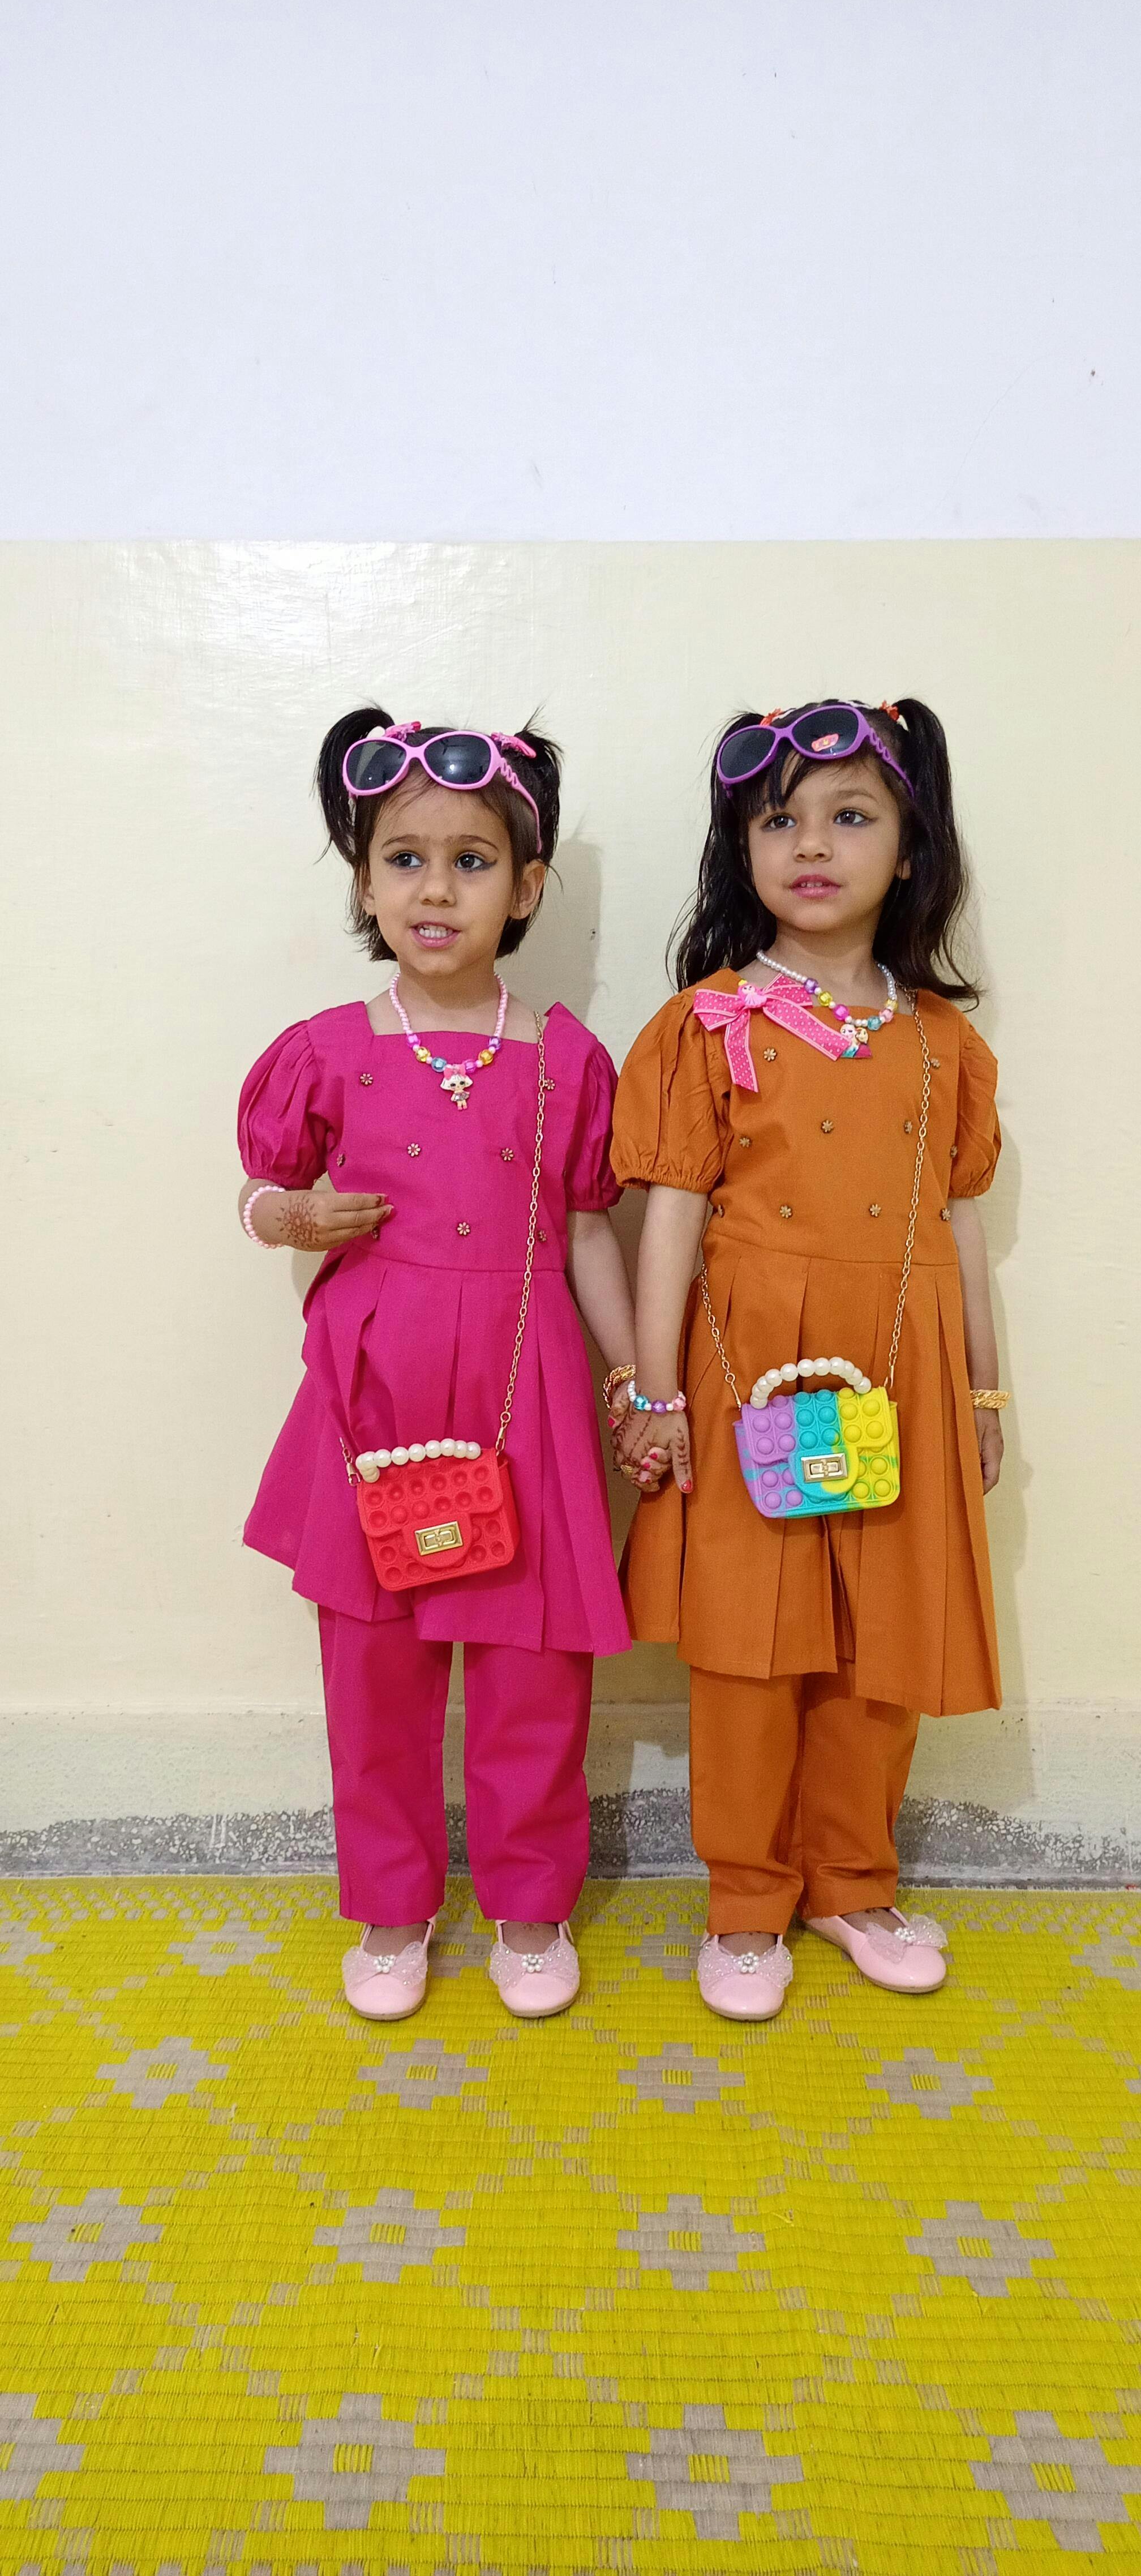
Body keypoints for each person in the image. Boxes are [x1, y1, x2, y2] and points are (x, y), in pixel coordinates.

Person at [611, 700, 1006, 2019]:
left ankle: (854, 1880)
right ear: (742, 848)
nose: (814, 845)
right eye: (779, 819)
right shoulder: (704, 1024)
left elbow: (958, 1223)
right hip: (751, 1371)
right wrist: (657, 1391)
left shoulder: (941, 1042)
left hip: (903, 1374)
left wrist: (984, 1387)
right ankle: (745, 1901)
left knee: (881, 1640)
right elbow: (671, 1212)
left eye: (851, 816)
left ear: (912, 846)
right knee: (751, 1643)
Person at [238, 711, 634, 2023]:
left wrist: (636, 1378)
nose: (435, 888)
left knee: (534, 1669)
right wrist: (288, 1217)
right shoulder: (326, 1050)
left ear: (525, 887)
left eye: (472, 861)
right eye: (404, 859)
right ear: (364, 882)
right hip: (374, 1401)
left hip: (528, 1396)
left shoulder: (565, 1058)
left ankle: (531, 1905)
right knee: (374, 1673)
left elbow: (589, 1229)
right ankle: (394, 1908)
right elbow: (260, 1189)